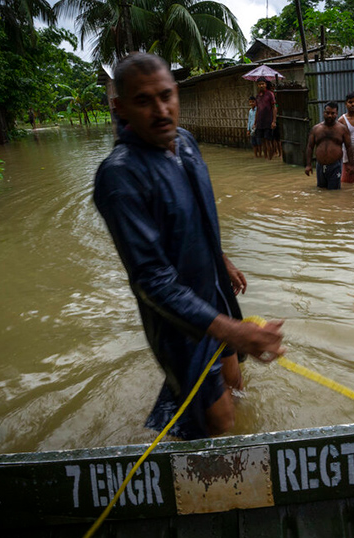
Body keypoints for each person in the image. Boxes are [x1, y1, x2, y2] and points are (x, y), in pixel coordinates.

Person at [92, 53, 285, 440]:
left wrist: (222, 258)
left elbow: (199, 214)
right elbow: (152, 281)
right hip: (177, 321)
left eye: (166, 96)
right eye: (144, 101)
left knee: (236, 385)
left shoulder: (185, 142)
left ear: (176, 94)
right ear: (120, 107)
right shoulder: (119, 176)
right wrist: (233, 330)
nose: (160, 110)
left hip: (214, 291)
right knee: (219, 422)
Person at [305, 102, 352, 190]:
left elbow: (349, 147)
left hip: (335, 165)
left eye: (332, 113)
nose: (330, 116)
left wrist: (350, 165)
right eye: (327, 113)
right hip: (320, 166)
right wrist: (308, 165)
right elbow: (310, 147)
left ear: (336, 114)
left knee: (334, 191)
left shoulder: (342, 129)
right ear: (324, 113)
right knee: (321, 190)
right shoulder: (316, 129)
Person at [254, 77, 277, 160]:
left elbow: (274, 107)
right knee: (263, 141)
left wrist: (274, 121)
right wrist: (255, 123)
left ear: (266, 85)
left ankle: (270, 158)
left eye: (262, 84)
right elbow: (257, 110)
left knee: (268, 141)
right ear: (257, 85)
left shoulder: (270, 94)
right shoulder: (257, 96)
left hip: (268, 121)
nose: (261, 86)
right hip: (260, 122)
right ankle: (266, 157)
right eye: (259, 84)